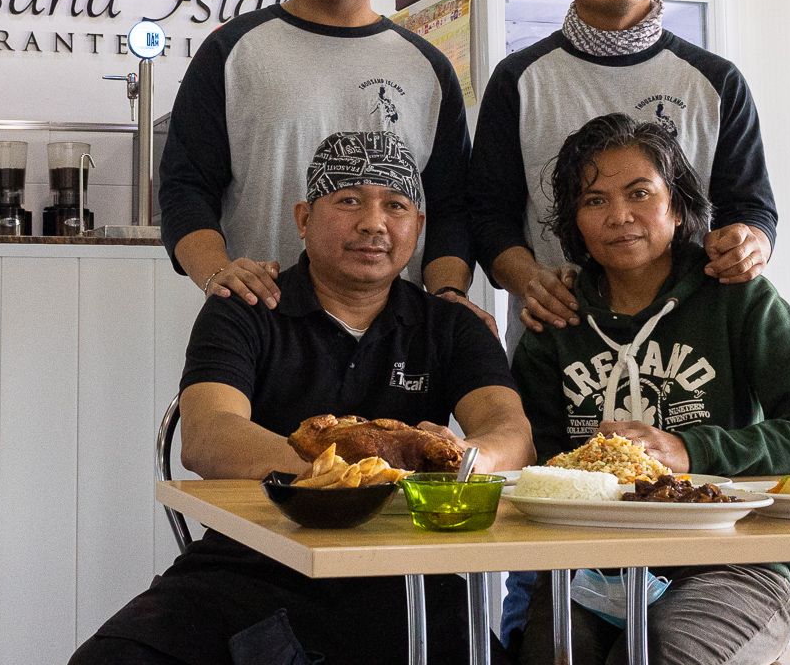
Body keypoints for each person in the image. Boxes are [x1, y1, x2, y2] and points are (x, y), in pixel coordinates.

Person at [73, 130, 534, 665]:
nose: (373, 223)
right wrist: (361, 464)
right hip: (249, 561)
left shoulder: (452, 325)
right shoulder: (244, 308)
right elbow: (206, 436)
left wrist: (459, 458)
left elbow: (510, 433)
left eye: (396, 205)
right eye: (348, 201)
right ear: (303, 219)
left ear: (419, 227)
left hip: (402, 569)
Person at [510, 113, 790, 665]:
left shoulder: (736, 298)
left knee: (658, 651)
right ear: (575, 222)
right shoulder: (559, 318)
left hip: (731, 560)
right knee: (552, 652)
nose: (619, 216)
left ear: (677, 205)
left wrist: (692, 450)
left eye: (640, 193)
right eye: (594, 200)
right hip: (593, 567)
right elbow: (532, 457)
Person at [159, 0, 488, 330]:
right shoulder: (231, 52)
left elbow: (449, 206)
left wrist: (447, 295)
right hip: (260, 325)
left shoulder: (427, 67)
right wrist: (217, 274)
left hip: (396, 338)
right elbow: (184, 188)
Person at [469, 0, 777, 345]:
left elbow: (751, 208)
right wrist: (529, 278)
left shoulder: (717, 81)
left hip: (696, 341)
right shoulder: (519, 80)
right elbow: (489, 218)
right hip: (560, 341)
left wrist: (750, 245)